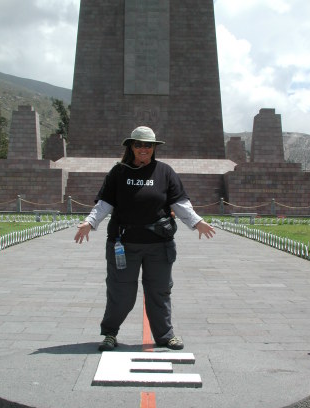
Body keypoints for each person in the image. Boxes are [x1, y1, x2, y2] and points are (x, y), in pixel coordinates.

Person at [74, 126, 215, 352]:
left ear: (154, 148)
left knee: (159, 291)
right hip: (124, 244)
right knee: (121, 292)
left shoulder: (165, 172)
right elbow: (104, 204)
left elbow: (180, 203)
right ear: (131, 146)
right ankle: (110, 333)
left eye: (148, 145)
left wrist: (197, 221)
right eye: (139, 144)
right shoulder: (118, 173)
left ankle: (165, 335)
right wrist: (89, 222)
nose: (143, 149)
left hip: (159, 245)